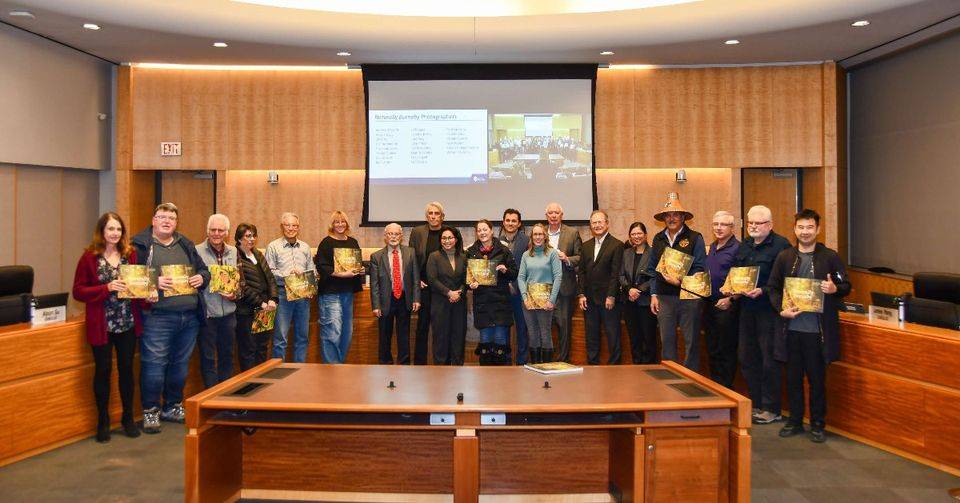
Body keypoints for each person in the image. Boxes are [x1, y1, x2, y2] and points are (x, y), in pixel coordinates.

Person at [769, 209, 851, 444]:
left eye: (810, 228)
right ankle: (795, 420)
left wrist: (835, 289)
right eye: (801, 227)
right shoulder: (785, 257)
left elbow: (846, 285)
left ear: (818, 229)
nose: (805, 232)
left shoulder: (830, 257)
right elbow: (773, 288)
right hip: (791, 330)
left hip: (818, 332)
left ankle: (817, 424)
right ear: (794, 229)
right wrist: (780, 309)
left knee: (817, 380)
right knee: (793, 378)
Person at [131, 203, 209, 434]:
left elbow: (205, 271)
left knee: (180, 367)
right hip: (157, 318)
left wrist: (200, 279)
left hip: (189, 318)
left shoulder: (185, 244)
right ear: (153, 220)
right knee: (154, 366)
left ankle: (173, 406)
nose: (167, 221)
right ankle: (151, 410)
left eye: (171, 218)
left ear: (176, 223)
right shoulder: (141, 246)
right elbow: (129, 281)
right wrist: (154, 283)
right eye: (162, 217)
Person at [72, 212, 142, 443]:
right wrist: (107, 288)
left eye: (119, 229)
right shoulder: (89, 257)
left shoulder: (130, 255)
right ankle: (102, 421)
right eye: (110, 229)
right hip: (102, 324)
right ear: (102, 231)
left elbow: (137, 287)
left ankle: (128, 418)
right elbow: (78, 292)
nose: (115, 233)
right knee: (102, 372)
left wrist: (147, 296)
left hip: (127, 323)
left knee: (126, 372)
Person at [728, 205, 791, 425]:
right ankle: (755, 404)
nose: (753, 226)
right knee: (747, 357)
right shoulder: (744, 246)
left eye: (759, 223)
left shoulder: (782, 246)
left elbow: (786, 282)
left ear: (770, 225)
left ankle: (771, 408)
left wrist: (763, 290)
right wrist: (731, 289)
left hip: (769, 311)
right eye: (751, 223)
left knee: (768, 360)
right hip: (746, 310)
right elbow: (736, 272)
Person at [647, 193, 706, 371]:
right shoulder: (658, 238)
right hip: (664, 298)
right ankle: (670, 376)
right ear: (664, 218)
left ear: (682, 217)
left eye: (675, 214)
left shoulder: (695, 237)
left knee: (691, 341)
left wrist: (680, 280)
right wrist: (653, 294)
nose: (671, 218)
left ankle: (692, 378)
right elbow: (652, 269)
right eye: (668, 215)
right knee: (667, 340)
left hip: (690, 297)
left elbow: (700, 268)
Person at [408, 202, 462, 365]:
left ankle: (448, 364)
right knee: (422, 327)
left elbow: (459, 257)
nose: (433, 216)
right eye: (430, 213)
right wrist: (416, 280)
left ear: (442, 216)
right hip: (424, 286)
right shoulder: (417, 232)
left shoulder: (451, 233)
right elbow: (411, 259)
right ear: (426, 216)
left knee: (446, 328)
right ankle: (419, 365)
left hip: (446, 289)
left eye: (436, 213)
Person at [265, 212, 316, 363]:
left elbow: (312, 270)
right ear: (282, 227)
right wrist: (288, 275)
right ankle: (278, 373)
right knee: (280, 338)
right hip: (282, 295)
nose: (291, 228)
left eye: (294, 225)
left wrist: (311, 286)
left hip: (303, 296)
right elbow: (269, 273)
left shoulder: (305, 247)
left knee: (302, 337)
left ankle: (300, 371)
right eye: (287, 225)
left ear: (298, 228)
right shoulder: (273, 246)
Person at [314, 211, 363, 364]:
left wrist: (360, 269)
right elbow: (321, 266)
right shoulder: (326, 242)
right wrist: (340, 274)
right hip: (330, 293)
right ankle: (331, 369)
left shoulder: (353, 242)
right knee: (332, 332)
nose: (340, 224)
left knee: (347, 333)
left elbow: (357, 263)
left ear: (347, 224)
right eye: (336, 222)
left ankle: (338, 366)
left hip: (348, 293)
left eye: (343, 222)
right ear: (332, 225)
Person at [467, 219, 518, 365]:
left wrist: (505, 270)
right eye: (479, 230)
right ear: (476, 233)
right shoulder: (471, 252)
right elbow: (467, 278)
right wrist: (471, 284)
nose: (482, 232)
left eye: (485, 229)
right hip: (482, 304)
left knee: (500, 341)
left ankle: (500, 381)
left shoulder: (503, 250)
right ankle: (485, 381)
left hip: (500, 304)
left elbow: (514, 273)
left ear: (491, 231)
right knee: (485, 342)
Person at [196, 214, 239, 388]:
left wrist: (235, 293)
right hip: (207, 314)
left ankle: (225, 397)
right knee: (208, 358)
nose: (216, 233)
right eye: (213, 230)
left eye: (220, 230)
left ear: (227, 233)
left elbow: (239, 279)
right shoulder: (196, 250)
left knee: (227, 356)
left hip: (229, 313)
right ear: (207, 231)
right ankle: (211, 397)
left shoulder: (234, 251)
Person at [369, 223, 421, 364]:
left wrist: (417, 298)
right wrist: (375, 305)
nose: (393, 237)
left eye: (396, 234)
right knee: (384, 335)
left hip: (405, 298)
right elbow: (374, 284)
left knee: (404, 335)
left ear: (401, 236)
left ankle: (404, 364)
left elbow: (416, 278)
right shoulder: (376, 256)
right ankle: (385, 364)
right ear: (385, 237)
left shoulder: (410, 252)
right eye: (390, 234)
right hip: (386, 300)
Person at [578, 210, 624, 365]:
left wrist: (611, 296)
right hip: (589, 300)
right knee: (591, 337)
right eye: (593, 223)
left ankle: (614, 367)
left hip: (608, 300)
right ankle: (592, 366)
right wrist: (581, 294)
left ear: (607, 223)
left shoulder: (617, 245)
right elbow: (582, 272)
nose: (597, 225)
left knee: (613, 336)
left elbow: (615, 273)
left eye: (600, 222)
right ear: (590, 226)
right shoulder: (585, 246)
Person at [702, 211, 740, 388]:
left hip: (727, 306)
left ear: (732, 228)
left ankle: (726, 388)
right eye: (715, 224)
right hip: (709, 305)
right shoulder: (712, 247)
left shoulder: (738, 249)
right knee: (712, 348)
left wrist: (731, 299)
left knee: (726, 349)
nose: (718, 228)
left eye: (723, 224)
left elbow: (742, 280)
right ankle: (715, 387)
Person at [234, 223, 278, 371]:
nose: (251, 239)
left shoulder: (258, 254)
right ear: (239, 238)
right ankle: (250, 385)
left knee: (262, 347)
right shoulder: (235, 256)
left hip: (266, 310)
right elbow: (241, 285)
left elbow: (270, 278)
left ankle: (261, 383)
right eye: (247, 236)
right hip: (247, 311)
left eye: (253, 235)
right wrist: (261, 303)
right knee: (248, 349)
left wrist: (273, 298)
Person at [517, 223, 563, 363]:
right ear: (532, 237)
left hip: (546, 301)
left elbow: (558, 277)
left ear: (545, 236)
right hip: (529, 302)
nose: (538, 237)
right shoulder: (526, 255)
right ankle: (536, 366)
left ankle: (547, 367)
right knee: (532, 334)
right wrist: (524, 298)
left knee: (545, 333)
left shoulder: (552, 253)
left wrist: (552, 300)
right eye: (535, 234)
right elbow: (520, 277)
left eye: (540, 234)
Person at [544, 202, 582, 362]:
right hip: (543, 289)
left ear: (561, 215)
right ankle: (545, 362)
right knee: (544, 328)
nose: (553, 215)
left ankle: (563, 361)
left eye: (556, 213)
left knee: (564, 328)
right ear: (546, 216)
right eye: (550, 213)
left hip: (565, 289)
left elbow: (580, 258)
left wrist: (567, 259)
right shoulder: (539, 233)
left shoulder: (572, 233)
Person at [425, 226, 467, 365]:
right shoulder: (434, 256)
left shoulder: (463, 256)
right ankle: (440, 374)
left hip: (459, 303)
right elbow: (432, 280)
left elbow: (467, 278)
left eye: (450, 238)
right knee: (440, 340)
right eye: (444, 238)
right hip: (440, 304)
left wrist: (459, 292)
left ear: (455, 240)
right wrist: (449, 292)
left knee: (458, 339)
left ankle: (457, 371)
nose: (447, 241)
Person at [619, 221, 658, 364]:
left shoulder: (653, 253)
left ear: (646, 235)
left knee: (648, 338)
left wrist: (640, 290)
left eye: (639, 233)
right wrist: (629, 289)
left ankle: (649, 368)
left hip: (646, 302)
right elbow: (621, 275)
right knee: (634, 338)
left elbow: (655, 276)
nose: (636, 236)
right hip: (629, 302)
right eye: (633, 234)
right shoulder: (626, 253)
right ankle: (636, 367)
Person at [498, 208, 530, 364]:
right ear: (503, 222)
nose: (510, 223)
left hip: (520, 291)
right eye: (508, 220)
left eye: (514, 221)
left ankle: (522, 362)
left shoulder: (527, 241)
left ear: (519, 224)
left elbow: (529, 266)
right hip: (501, 291)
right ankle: (505, 361)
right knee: (503, 328)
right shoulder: (495, 241)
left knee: (522, 329)